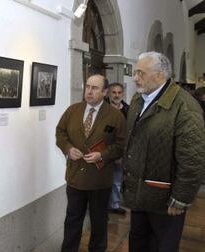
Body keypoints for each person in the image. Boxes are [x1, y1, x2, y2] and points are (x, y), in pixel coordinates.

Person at [122, 51, 205, 252]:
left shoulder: (185, 107)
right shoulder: (137, 100)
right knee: (138, 243)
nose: (135, 78)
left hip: (165, 199)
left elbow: (192, 160)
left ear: (160, 75)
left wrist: (181, 198)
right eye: (135, 72)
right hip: (139, 194)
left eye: (141, 73)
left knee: (163, 246)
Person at [56, 74, 126, 252]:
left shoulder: (115, 116)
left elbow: (122, 145)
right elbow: (60, 132)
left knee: (99, 222)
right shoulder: (73, 110)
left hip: (100, 180)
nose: (89, 91)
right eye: (87, 86)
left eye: (95, 88)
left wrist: (102, 155)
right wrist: (68, 148)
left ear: (104, 92)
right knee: (72, 220)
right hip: (75, 178)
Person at [106, 83, 129, 215]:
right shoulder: (103, 109)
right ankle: (101, 205)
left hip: (122, 151)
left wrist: (121, 154)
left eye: (119, 92)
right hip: (105, 151)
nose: (116, 95)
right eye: (114, 92)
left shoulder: (128, 109)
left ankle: (114, 205)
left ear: (122, 94)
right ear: (109, 93)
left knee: (117, 180)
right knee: (102, 181)